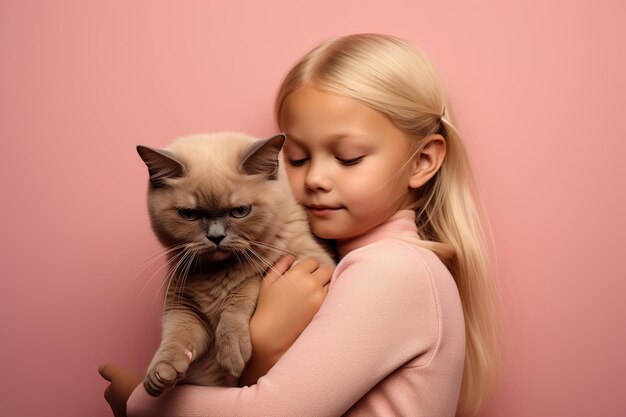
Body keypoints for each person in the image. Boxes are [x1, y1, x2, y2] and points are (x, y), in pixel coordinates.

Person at [99, 33, 502, 417]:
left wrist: (138, 403)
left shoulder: (393, 270)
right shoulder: (348, 263)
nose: (314, 180)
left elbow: (276, 411)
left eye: (347, 158)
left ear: (422, 162)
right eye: (296, 159)